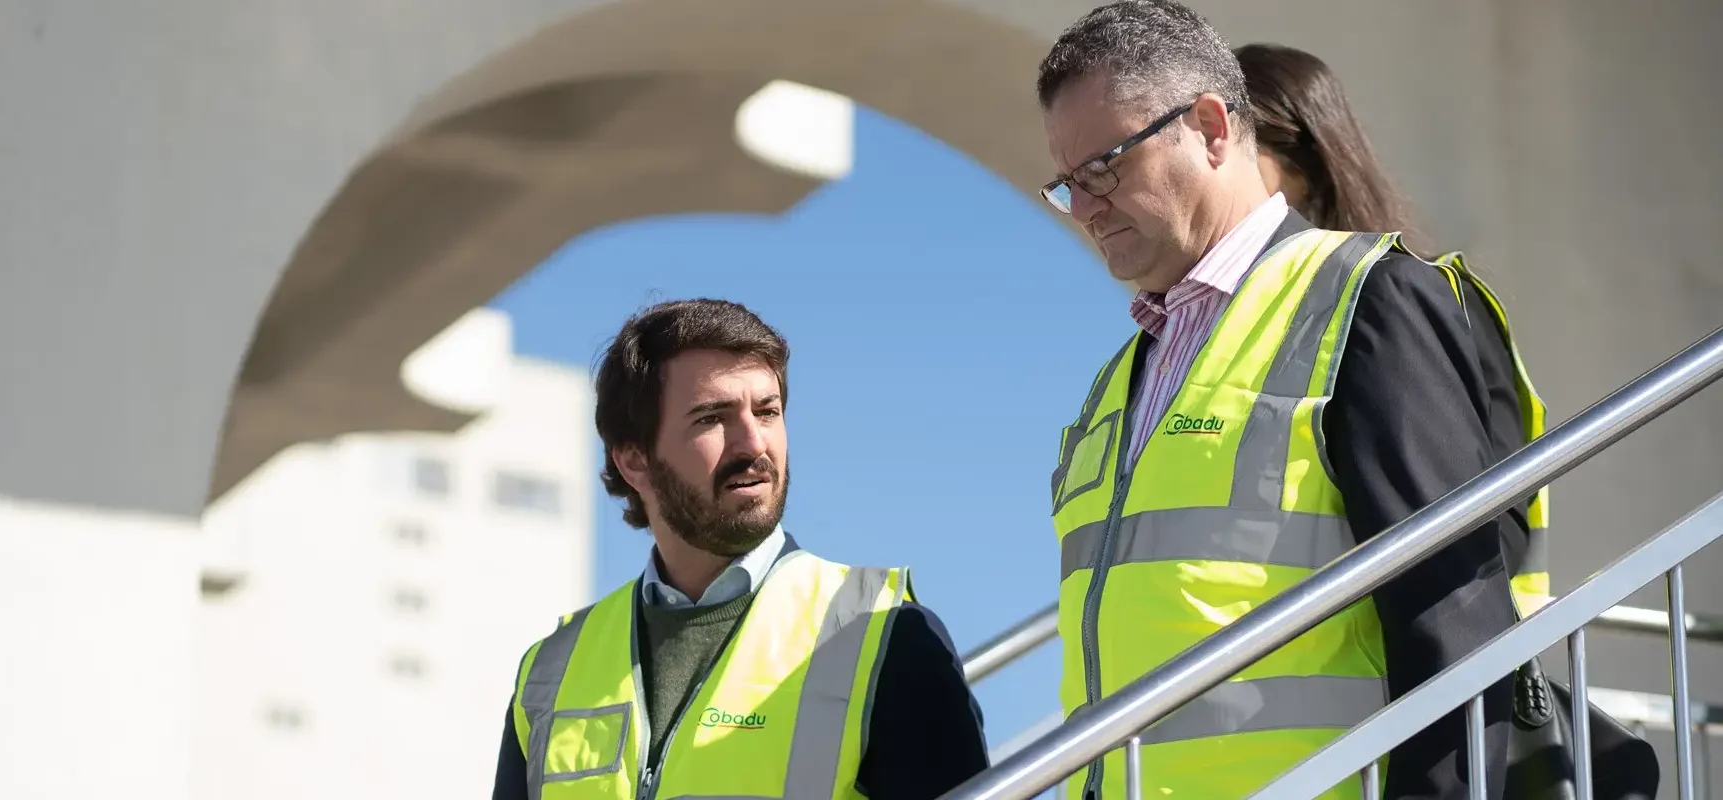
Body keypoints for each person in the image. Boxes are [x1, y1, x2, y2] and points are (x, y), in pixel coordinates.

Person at [1035, 2, 1525, 797]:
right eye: (1066, 185)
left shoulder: (1367, 298)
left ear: (1210, 127)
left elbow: (1453, 619)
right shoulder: (1120, 376)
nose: (1084, 209)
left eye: (1102, 169)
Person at [489, 299, 989, 799]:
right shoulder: (549, 674)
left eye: (768, 412)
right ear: (635, 460)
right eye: (712, 418)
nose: (754, 444)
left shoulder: (882, 633)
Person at [1234, 41, 1554, 617]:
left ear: (1304, 163)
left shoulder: (1410, 297)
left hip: (1454, 676)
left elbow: (1481, 528)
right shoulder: (1236, 332)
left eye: (1233, 155)